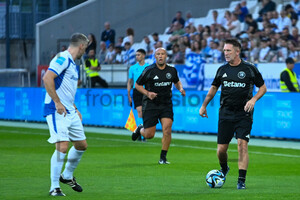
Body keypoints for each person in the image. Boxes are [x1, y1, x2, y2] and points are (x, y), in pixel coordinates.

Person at [199, 39, 267, 189]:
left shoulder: (250, 69)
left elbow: (263, 88)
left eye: (228, 50)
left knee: (242, 145)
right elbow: (213, 89)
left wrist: (254, 99)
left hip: (244, 113)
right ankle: (224, 168)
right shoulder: (222, 70)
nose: (225, 53)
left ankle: (241, 180)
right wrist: (203, 106)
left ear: (237, 51)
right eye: (224, 50)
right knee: (221, 150)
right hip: (225, 113)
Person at [43, 33, 89, 196]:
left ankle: (67, 175)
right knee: (62, 145)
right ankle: (54, 187)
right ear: (81, 46)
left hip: (69, 110)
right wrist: (56, 102)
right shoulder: (62, 58)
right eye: (86, 48)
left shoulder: (72, 64)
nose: (86, 51)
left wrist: (75, 108)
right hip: (56, 110)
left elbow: (67, 91)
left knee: (81, 145)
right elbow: (47, 78)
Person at [131, 48, 186, 164]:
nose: (160, 56)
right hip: (151, 104)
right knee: (149, 135)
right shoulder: (149, 70)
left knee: (167, 130)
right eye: (158, 54)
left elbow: (177, 81)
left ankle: (163, 157)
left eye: (162, 54)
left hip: (166, 104)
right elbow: (137, 85)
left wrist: (180, 88)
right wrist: (148, 93)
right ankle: (141, 129)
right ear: (155, 57)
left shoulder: (172, 70)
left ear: (166, 56)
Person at [127, 49, 149, 141]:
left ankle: (143, 132)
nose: (137, 57)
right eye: (136, 55)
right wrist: (128, 94)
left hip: (146, 90)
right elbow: (129, 82)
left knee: (145, 113)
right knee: (139, 112)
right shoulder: (132, 68)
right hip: (137, 91)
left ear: (143, 56)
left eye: (138, 55)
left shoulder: (149, 67)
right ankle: (141, 134)